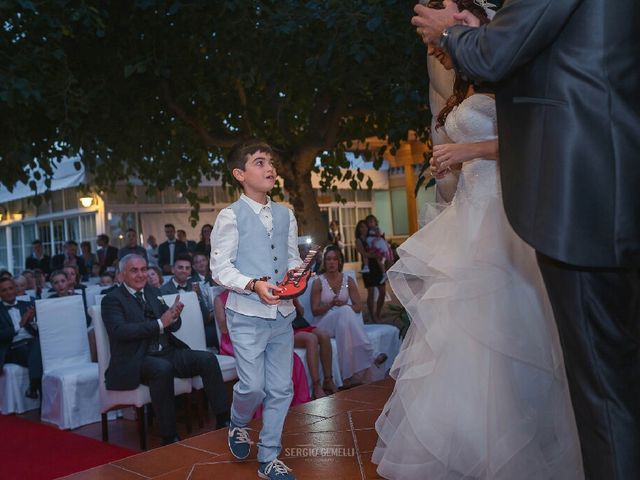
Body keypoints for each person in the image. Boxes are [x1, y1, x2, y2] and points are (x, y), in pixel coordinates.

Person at [412, 1, 640, 478]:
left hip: (579, 195)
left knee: (602, 388)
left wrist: (451, 35)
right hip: (604, 181)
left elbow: (499, 57)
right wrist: (487, 31)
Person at [373, 4, 583, 478]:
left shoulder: (512, 73)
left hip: (504, 219)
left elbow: (537, 137)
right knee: (458, 337)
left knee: (510, 330)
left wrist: (469, 150)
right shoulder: (468, 88)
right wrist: (450, 162)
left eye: (444, 42)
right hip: (467, 214)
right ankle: (467, 447)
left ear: (478, 25)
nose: (440, 55)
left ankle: (522, 446)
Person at [210, 139, 302, 480]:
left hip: (283, 315)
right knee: (253, 387)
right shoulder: (229, 216)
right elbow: (220, 269)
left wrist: (297, 274)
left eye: (271, 162)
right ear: (240, 174)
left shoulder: (286, 213)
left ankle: (268, 458)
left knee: (281, 389)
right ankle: (237, 422)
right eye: (260, 162)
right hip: (246, 316)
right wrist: (253, 284)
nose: (270, 168)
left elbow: (290, 257)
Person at [101, 254, 229, 445]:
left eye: (144, 269)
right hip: (137, 358)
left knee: (208, 359)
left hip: (166, 351)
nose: (141, 274)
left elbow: (170, 325)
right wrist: (161, 322)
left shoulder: (152, 292)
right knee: (161, 369)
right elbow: (120, 331)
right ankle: (169, 436)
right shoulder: (112, 300)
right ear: (121, 276)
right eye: (134, 270)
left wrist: (174, 317)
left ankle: (223, 419)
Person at [214, 289, 311, 409]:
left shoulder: (252, 294)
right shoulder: (220, 299)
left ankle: (294, 403)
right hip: (235, 341)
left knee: (293, 358)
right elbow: (224, 329)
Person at [310, 245, 387, 389]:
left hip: (341, 322)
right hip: (323, 325)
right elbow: (314, 311)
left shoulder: (348, 280)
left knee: (345, 318)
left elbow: (358, 307)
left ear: (340, 261)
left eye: (335, 259)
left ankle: (348, 377)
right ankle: (371, 355)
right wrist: (330, 304)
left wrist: (343, 306)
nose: (332, 262)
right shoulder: (318, 282)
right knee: (345, 312)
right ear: (324, 262)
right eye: (328, 259)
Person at [160, 253, 218, 352]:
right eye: (180, 267)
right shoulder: (163, 290)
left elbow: (205, 317)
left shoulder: (195, 288)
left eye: (187, 268)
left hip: (196, 335)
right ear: (173, 269)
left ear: (191, 271)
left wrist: (198, 297)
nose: (184, 271)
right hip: (174, 338)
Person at [0, 276, 41, 399]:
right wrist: (20, 324)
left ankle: (34, 386)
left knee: (39, 345)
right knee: (39, 353)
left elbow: (38, 330)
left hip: (32, 342)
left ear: (15, 289)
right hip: (12, 347)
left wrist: (32, 320)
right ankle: (34, 384)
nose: (9, 292)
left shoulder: (27, 304)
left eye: (11, 288)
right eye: (4, 290)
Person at [292, 298, 337, 399]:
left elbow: (301, 313)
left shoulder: (288, 288)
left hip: (299, 324)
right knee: (311, 339)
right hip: (285, 329)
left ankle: (328, 380)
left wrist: (295, 299)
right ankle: (316, 386)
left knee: (324, 335)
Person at [355, 220, 386, 323]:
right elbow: (364, 253)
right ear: (358, 230)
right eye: (361, 227)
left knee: (382, 291)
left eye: (365, 227)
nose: (363, 229)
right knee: (371, 292)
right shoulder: (358, 240)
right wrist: (375, 254)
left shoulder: (371, 238)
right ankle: (373, 316)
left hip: (377, 266)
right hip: (367, 267)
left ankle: (378, 313)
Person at [364, 214, 393, 280]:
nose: (370, 224)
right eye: (368, 222)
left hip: (378, 246)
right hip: (374, 245)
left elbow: (379, 235)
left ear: (375, 222)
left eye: (371, 222)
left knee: (380, 260)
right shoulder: (369, 230)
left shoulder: (376, 228)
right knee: (377, 260)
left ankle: (384, 273)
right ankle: (383, 273)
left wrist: (374, 240)